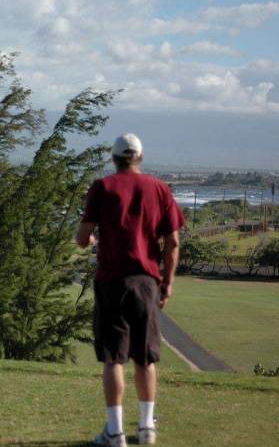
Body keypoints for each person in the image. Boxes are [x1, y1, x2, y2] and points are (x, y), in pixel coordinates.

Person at [76, 133, 184, 446]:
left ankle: (115, 432)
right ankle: (147, 427)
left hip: (111, 280)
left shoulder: (102, 188)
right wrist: (168, 282)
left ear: (114, 158)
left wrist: (91, 241)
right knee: (145, 357)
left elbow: (82, 237)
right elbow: (173, 242)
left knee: (113, 358)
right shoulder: (159, 188)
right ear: (139, 157)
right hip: (147, 281)